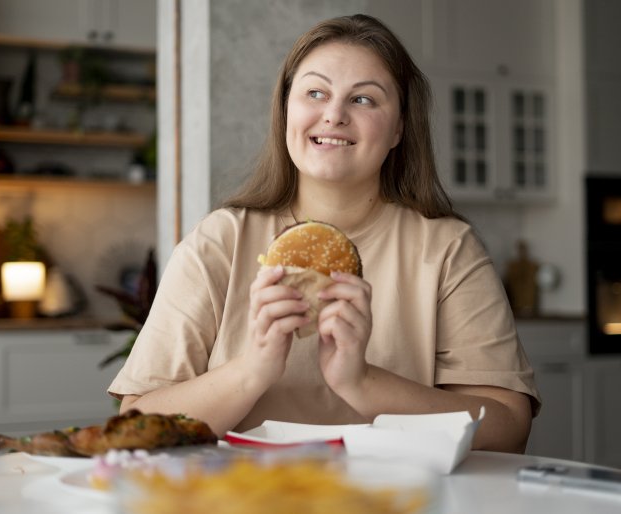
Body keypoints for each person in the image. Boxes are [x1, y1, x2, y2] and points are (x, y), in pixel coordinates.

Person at [109, 13, 540, 453]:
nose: (334, 115)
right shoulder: (220, 242)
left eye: (365, 100)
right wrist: (251, 371)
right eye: (315, 92)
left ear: (399, 129)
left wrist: (363, 382)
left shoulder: (447, 250)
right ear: (285, 111)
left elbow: (507, 429)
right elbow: (135, 426)